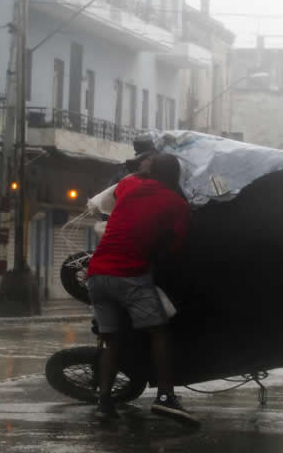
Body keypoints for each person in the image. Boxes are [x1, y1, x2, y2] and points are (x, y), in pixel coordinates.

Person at [86, 153, 197, 424]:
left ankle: (104, 402)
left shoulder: (130, 186)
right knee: (158, 332)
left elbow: (124, 182)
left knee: (112, 339)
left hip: (96, 274)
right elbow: (175, 247)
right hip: (129, 274)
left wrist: (142, 167)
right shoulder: (177, 204)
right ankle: (165, 397)